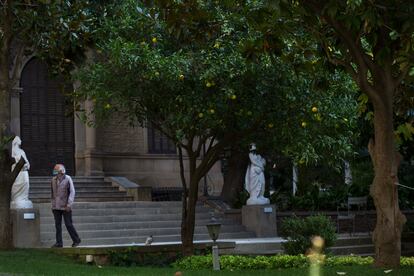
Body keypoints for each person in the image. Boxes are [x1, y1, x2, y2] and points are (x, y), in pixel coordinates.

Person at [50, 164, 81, 248]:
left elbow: (72, 192)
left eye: (56, 170)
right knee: (58, 225)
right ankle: (59, 243)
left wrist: (69, 204)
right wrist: (53, 205)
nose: (55, 172)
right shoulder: (53, 180)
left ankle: (76, 240)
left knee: (68, 224)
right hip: (56, 207)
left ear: (61, 171)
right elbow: (52, 194)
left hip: (66, 206)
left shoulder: (68, 178)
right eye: (55, 170)